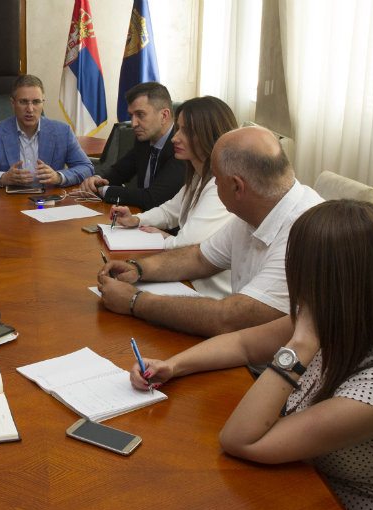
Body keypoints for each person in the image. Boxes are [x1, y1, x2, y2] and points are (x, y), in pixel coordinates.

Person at [128, 201, 373, 510]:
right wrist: (174, 365)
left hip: (347, 507)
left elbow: (240, 440)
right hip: (312, 480)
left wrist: (299, 345)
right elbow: (242, 344)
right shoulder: (338, 319)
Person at [98, 126, 324, 337]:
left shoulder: (304, 235)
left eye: (216, 179)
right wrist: (139, 268)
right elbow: (200, 257)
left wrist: (135, 301)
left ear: (237, 186)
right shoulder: (258, 208)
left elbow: (230, 319)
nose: (213, 186)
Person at [108, 96, 238, 298]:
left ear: (209, 134)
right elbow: (170, 211)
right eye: (178, 129)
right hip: (187, 279)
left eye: (185, 131)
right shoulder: (199, 175)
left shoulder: (219, 186)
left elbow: (187, 246)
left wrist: (165, 238)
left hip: (207, 291)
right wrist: (137, 220)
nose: (175, 138)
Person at [0, 74, 93, 188]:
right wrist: (3, 178)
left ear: (43, 103)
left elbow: (86, 167)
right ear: (13, 103)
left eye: (36, 102)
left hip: (50, 201)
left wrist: (58, 177)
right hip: (11, 202)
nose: (30, 109)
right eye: (23, 102)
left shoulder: (62, 132)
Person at [79, 82, 184, 210]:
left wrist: (104, 191)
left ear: (164, 115)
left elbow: (153, 198)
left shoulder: (181, 147)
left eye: (140, 115)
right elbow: (119, 172)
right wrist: (96, 181)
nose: (133, 123)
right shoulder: (144, 140)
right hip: (140, 217)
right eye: (131, 116)